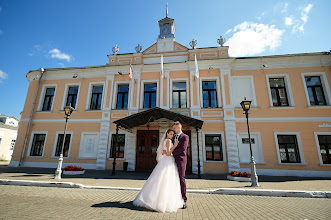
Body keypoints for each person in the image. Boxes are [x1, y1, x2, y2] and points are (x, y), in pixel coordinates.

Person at [133, 129, 184, 212]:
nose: (172, 135)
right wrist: (174, 146)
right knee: (166, 180)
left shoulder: (165, 140)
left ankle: (158, 199)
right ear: (167, 133)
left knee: (161, 180)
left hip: (165, 160)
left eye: (172, 134)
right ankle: (162, 202)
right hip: (167, 160)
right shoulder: (168, 141)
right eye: (170, 133)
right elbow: (168, 153)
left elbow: (164, 151)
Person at [169, 121, 189, 209]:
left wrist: (172, 153)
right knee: (173, 179)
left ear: (179, 127)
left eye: (174, 128)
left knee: (181, 178)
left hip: (181, 160)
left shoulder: (185, 137)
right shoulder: (172, 137)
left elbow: (183, 148)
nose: (173, 129)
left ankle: (184, 200)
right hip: (171, 160)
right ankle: (174, 198)